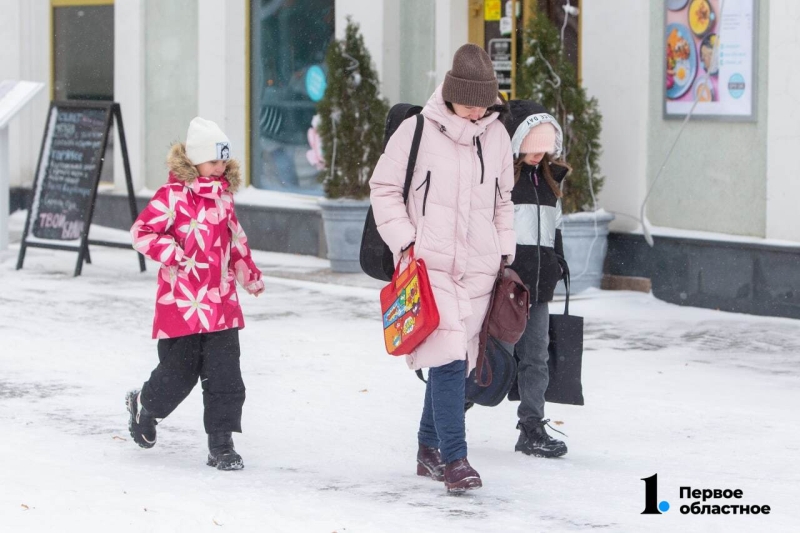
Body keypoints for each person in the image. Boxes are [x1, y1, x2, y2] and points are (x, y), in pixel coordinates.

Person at [370, 44, 516, 493]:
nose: (478, 109)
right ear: (451, 93)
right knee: (450, 356)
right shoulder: (416, 130)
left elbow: (504, 200)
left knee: (455, 359)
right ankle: (455, 461)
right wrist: (406, 241)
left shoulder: (497, 136)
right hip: (428, 264)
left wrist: (503, 250)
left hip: (479, 265)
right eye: (470, 100)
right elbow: (384, 188)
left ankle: (427, 448)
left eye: (484, 101)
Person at [126, 117, 264, 470]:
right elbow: (142, 232)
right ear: (195, 161)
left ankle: (221, 443)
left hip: (219, 301)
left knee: (225, 374)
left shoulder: (224, 199)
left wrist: (247, 273)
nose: (220, 168)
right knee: (179, 373)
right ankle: (146, 404)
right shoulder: (171, 196)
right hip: (183, 301)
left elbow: (235, 241)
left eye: (223, 161)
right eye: (213, 161)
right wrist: (171, 252)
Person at [502, 100, 571, 458]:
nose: (537, 154)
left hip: (540, 289)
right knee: (488, 357)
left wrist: (558, 263)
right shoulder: (502, 183)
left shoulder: (550, 182)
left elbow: (554, 231)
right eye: (531, 146)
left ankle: (531, 427)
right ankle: (448, 418)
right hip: (505, 288)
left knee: (535, 358)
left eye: (543, 146)